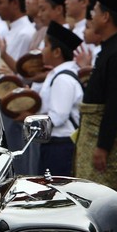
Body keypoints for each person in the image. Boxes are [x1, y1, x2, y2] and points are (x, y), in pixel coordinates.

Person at [75, 0, 117, 197]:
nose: (91, 16)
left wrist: (103, 147)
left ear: (106, 16)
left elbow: (115, 104)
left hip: (105, 141)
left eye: (95, 11)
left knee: (104, 199)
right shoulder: (109, 49)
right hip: (93, 133)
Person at [37, 21, 83, 176]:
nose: (41, 50)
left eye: (45, 45)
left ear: (57, 52)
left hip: (61, 145)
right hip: (56, 144)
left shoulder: (62, 79)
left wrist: (28, 121)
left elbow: (58, 117)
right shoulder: (57, 75)